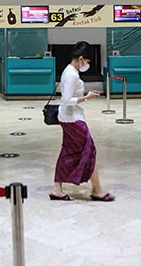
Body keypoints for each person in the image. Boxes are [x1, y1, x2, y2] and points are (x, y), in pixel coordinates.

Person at [50, 41, 115, 202]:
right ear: (81, 58)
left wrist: (85, 94)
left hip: (67, 117)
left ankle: (57, 189)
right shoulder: (72, 74)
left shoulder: (68, 70)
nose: (87, 65)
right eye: (87, 61)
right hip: (73, 119)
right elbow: (66, 100)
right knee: (90, 150)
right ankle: (97, 190)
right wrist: (87, 97)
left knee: (68, 151)